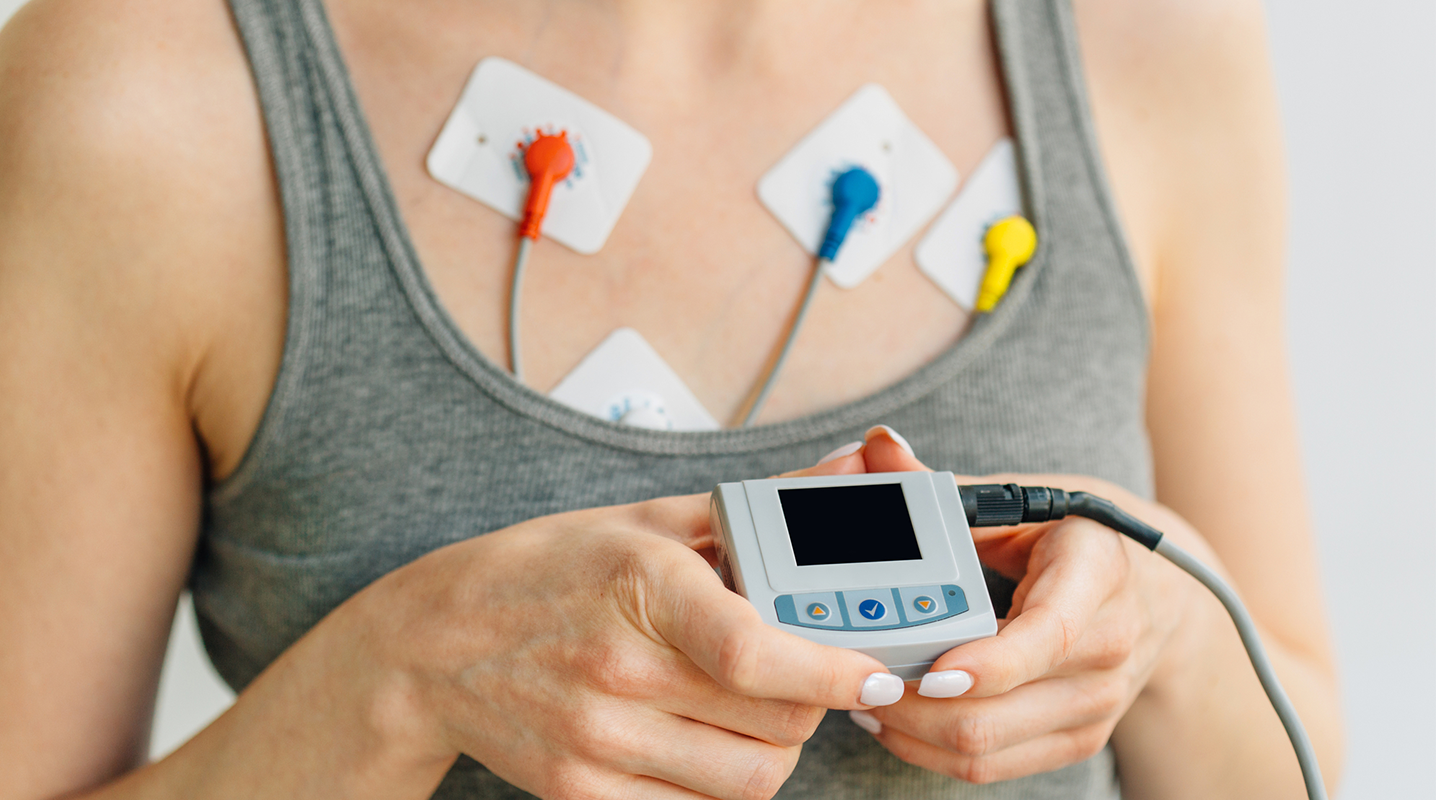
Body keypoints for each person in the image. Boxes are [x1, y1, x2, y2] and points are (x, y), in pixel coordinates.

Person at [0, 0, 1344, 797]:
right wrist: (395, 679)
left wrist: (1166, 633)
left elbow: (1298, 754)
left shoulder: (1145, 43)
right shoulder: (153, 92)